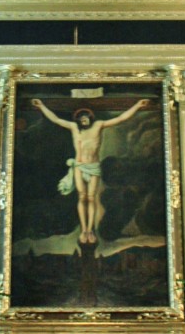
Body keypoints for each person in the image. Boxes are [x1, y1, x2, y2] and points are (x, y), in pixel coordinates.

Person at [31, 97, 149, 244]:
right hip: (80, 166)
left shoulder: (98, 126)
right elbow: (55, 119)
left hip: (93, 167)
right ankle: (84, 230)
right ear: (79, 120)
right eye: (82, 118)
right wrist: (41, 106)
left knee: (91, 198)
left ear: (90, 119)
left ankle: (90, 229)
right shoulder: (74, 129)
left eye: (86, 117)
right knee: (82, 197)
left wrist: (137, 105)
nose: (84, 120)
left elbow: (120, 118)